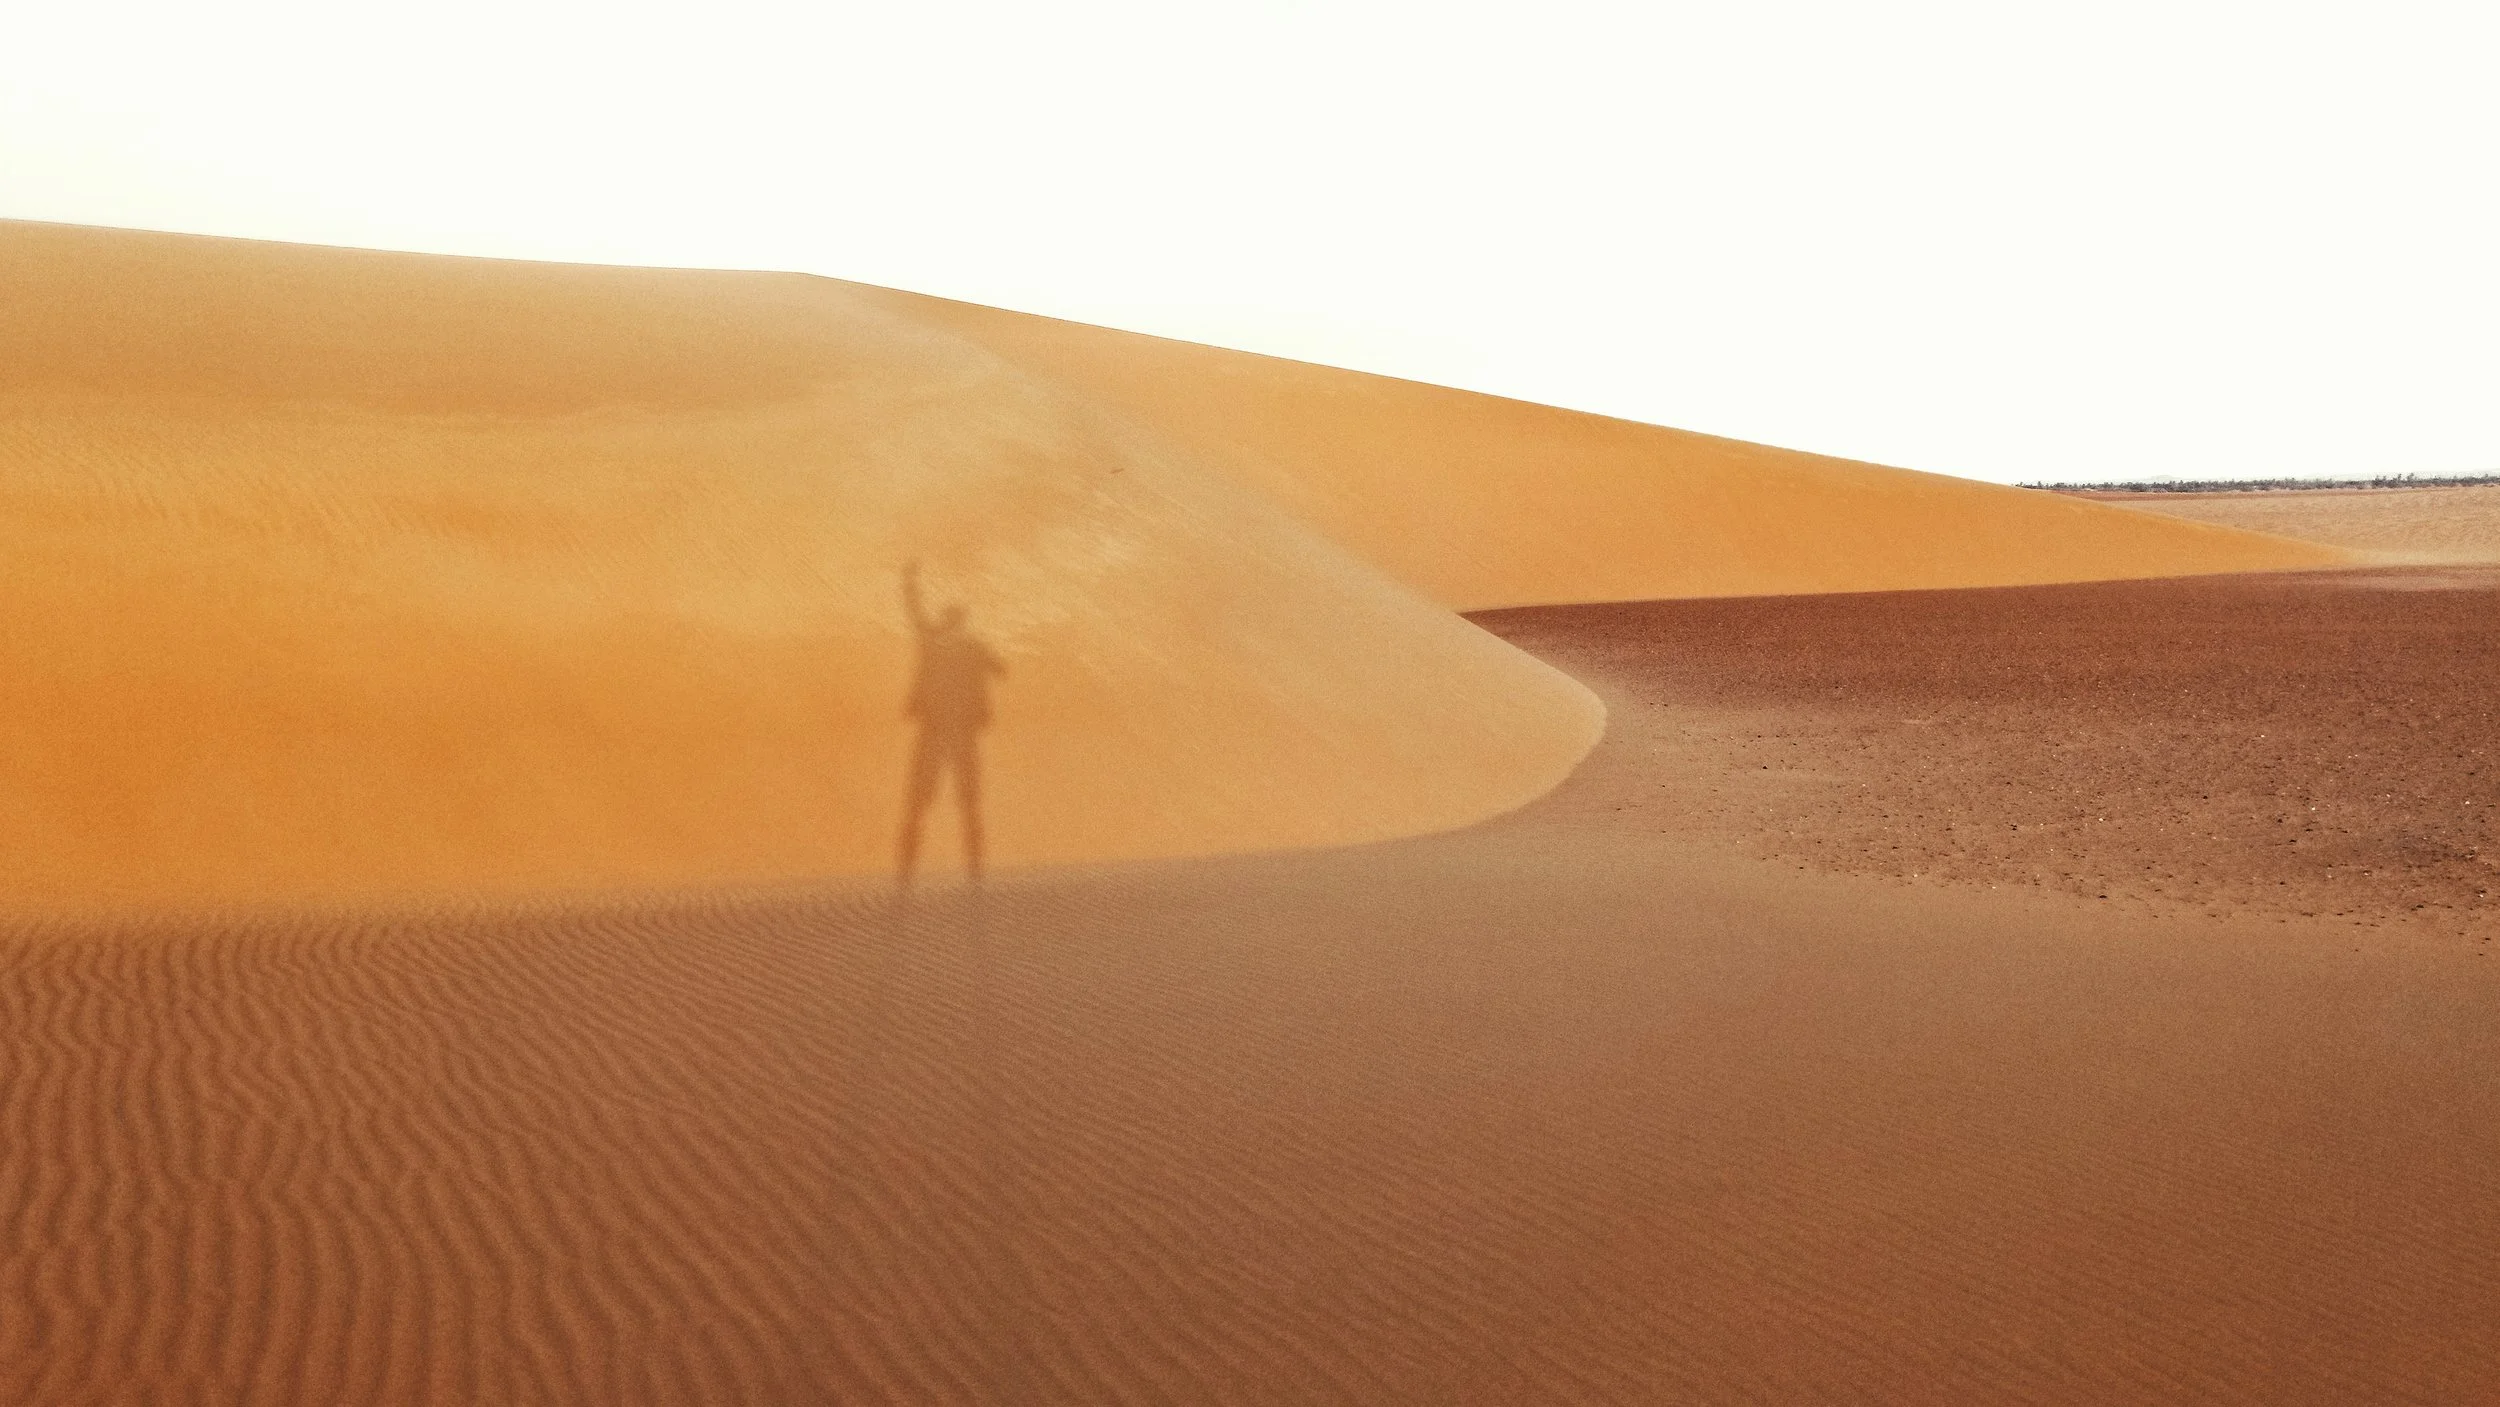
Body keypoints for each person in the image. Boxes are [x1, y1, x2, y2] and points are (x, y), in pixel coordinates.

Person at [896, 561, 1005, 885]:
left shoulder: (936, 642)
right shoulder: (970, 646)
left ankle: (907, 873)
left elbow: (915, 614)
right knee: (966, 802)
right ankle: (974, 872)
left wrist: (909, 582)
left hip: (936, 732)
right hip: (958, 734)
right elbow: (1001, 669)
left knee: (921, 802)